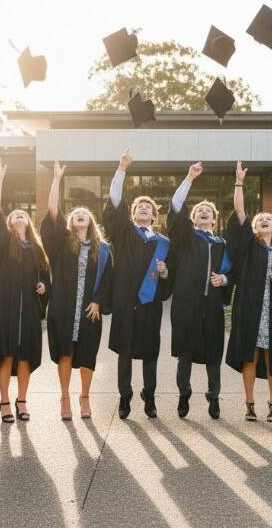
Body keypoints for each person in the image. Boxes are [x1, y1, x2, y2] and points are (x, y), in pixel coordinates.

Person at [40, 161, 113, 420]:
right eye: (76, 212)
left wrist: (98, 302)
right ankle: (64, 398)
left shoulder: (103, 250)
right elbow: (51, 211)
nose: (80, 213)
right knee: (65, 352)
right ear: (71, 221)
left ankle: (84, 397)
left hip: (89, 311)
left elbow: (108, 280)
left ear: (91, 221)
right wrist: (57, 179)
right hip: (63, 307)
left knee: (87, 354)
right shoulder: (61, 243)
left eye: (85, 212)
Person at [103, 149, 172, 419]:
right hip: (125, 301)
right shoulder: (124, 233)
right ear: (132, 215)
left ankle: (150, 397)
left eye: (149, 208)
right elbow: (116, 201)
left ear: (154, 216)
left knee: (150, 353)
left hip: (150, 304)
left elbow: (169, 282)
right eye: (139, 207)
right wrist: (121, 168)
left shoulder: (164, 243)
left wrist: (165, 273)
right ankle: (124, 398)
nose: (144, 209)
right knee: (125, 352)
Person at [225, 161, 272, 423]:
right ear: (254, 228)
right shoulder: (249, 247)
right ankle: (250, 404)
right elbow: (240, 211)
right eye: (260, 219)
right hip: (249, 310)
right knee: (249, 357)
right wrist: (239, 183)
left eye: (268, 219)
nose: (264, 220)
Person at [0, 158, 51, 423]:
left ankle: (22, 401)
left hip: (29, 313)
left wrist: (43, 285)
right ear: (9, 222)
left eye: (23, 214)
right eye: (14, 215)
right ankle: (3, 402)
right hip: (5, 308)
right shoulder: (3, 242)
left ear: (29, 222)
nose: (18, 216)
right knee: (6, 354)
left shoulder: (36, 249)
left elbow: (46, 279)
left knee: (25, 356)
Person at [166, 162, 232, 419]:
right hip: (187, 304)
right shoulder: (186, 238)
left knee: (214, 354)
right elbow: (175, 209)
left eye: (208, 210)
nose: (203, 212)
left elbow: (231, 272)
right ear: (193, 219)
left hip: (212, 306)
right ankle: (184, 395)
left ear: (214, 220)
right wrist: (189, 179)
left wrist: (224, 280)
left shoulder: (222, 244)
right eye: (199, 210)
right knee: (185, 353)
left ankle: (213, 398)